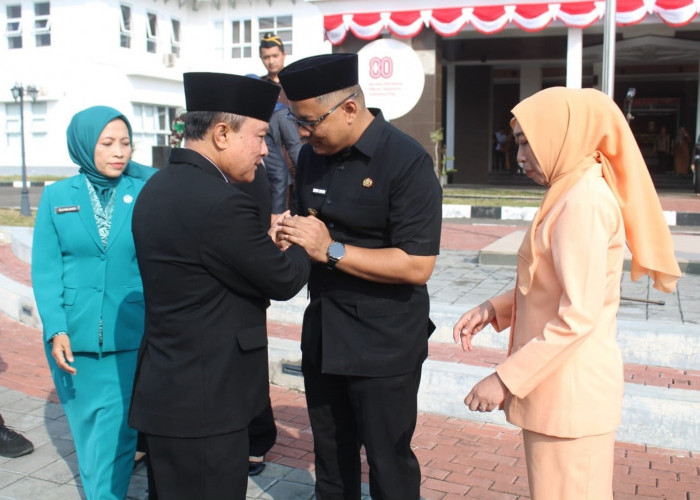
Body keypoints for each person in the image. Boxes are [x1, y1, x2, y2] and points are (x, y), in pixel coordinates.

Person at [452, 87, 681, 500]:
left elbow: (578, 315)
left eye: (528, 142)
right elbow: (551, 281)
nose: (520, 156)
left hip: (570, 397)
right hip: (557, 394)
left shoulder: (583, 203)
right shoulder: (569, 192)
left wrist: (504, 379)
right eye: (518, 143)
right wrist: (495, 308)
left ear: (561, 135)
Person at [128, 72, 311, 499]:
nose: (265, 151)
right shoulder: (222, 202)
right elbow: (283, 279)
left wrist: (261, 247)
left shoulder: (158, 186)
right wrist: (307, 239)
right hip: (207, 405)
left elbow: (208, 266)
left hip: (169, 392)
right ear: (223, 134)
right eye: (260, 137)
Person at [277, 53, 442, 499]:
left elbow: (417, 264)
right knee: (331, 460)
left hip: (383, 342)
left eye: (310, 122)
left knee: (389, 463)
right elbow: (306, 231)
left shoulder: (406, 161)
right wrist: (287, 238)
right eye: (296, 122)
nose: (303, 133)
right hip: (325, 333)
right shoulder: (310, 157)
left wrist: (330, 250)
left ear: (349, 108)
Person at [32, 105, 156, 499]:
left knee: (119, 433)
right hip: (73, 338)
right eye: (107, 143)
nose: (119, 152)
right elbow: (46, 270)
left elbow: (171, 182)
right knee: (88, 436)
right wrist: (56, 328)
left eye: (125, 143)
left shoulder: (144, 192)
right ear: (84, 145)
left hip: (128, 335)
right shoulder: (56, 197)